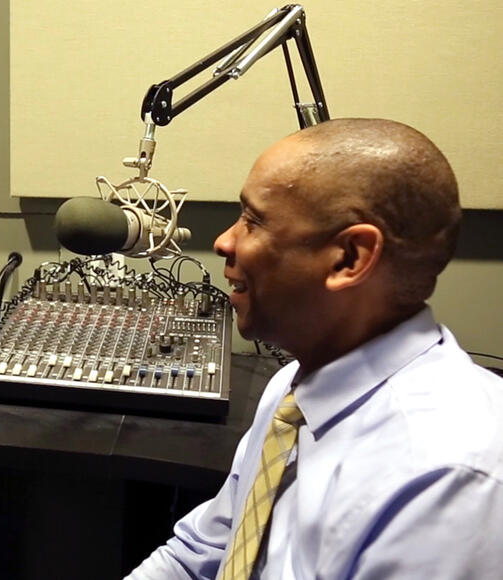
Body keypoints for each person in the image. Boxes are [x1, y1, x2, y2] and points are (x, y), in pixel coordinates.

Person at [126, 118, 503, 579]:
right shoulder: (294, 388)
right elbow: (198, 555)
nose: (224, 241)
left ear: (349, 258)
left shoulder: (446, 480)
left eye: (253, 221)